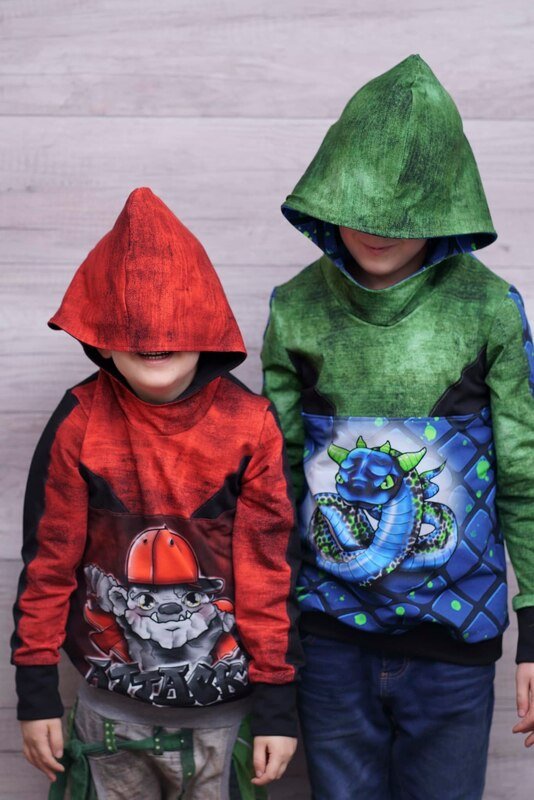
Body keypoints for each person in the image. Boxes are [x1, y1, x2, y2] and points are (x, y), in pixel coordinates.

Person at [261, 54, 534, 800]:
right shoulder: (295, 308)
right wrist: (269, 641)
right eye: (361, 203)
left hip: (455, 647)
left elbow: (524, 472)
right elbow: (273, 484)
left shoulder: (490, 310)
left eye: (402, 211)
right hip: (327, 643)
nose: (377, 229)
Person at [11, 187, 301, 800]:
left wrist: (278, 705)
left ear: (207, 324)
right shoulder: (80, 421)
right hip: (108, 720)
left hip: (226, 721)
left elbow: (268, 573)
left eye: (172, 319)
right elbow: (48, 563)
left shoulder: (250, 427)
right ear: (100, 335)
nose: (153, 335)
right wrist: (35, 694)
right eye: (131, 320)